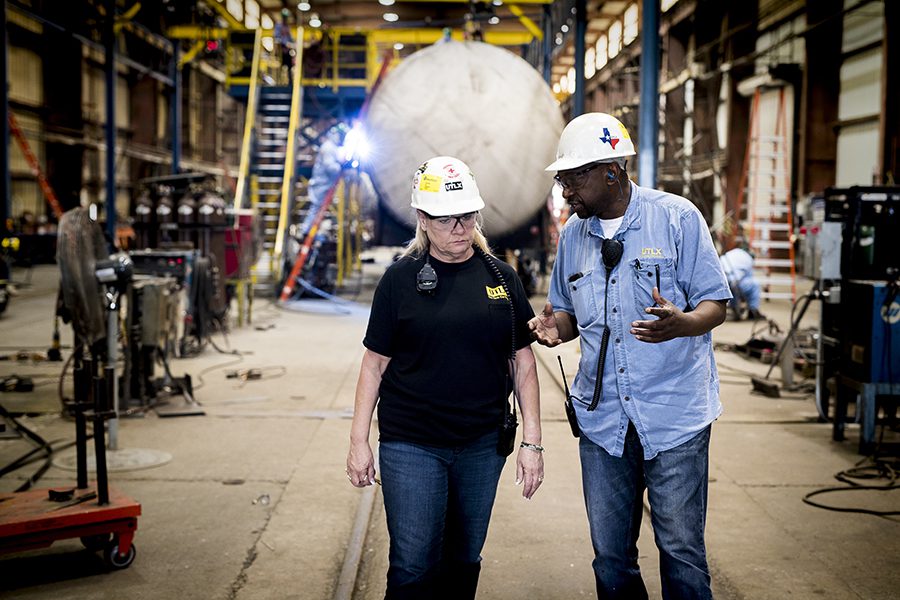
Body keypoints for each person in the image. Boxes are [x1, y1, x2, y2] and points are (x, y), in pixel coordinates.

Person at [528, 113, 732, 599]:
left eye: (574, 179)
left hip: (673, 416)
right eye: (561, 180)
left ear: (612, 172)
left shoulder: (678, 218)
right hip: (603, 424)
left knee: (682, 553)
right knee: (611, 558)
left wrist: (683, 323)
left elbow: (715, 304)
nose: (565, 193)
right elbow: (568, 311)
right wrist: (555, 327)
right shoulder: (574, 237)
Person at [346, 156, 543, 600]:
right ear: (421, 218)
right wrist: (359, 441)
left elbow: (523, 364)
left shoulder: (502, 279)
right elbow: (374, 364)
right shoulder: (399, 280)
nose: (459, 226)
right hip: (411, 443)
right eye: (446, 217)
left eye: (468, 215)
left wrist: (532, 441)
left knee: (465, 559)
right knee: (414, 565)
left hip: (481, 445)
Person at [719, 245, 765, 320]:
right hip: (733, 281)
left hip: (720, 280)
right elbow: (748, 277)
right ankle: (753, 311)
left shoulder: (733, 252)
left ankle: (734, 308)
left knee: (733, 287)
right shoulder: (749, 259)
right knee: (754, 285)